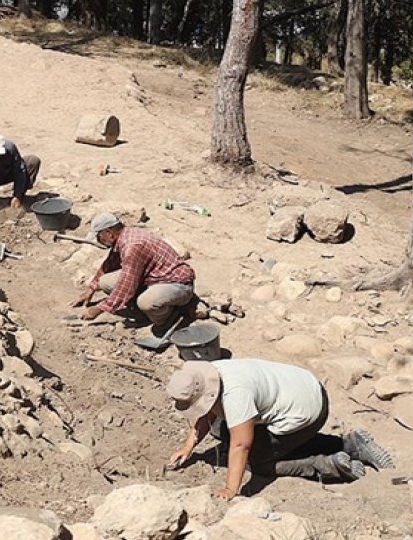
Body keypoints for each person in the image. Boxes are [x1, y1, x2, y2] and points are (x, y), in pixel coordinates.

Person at [166, 359, 394, 500]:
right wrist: (189, 446)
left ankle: (332, 466)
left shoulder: (235, 394)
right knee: (222, 428)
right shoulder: (213, 373)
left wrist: (230, 488)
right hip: (305, 388)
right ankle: (350, 444)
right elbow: (206, 411)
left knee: (259, 462)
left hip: (308, 411)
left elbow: (241, 445)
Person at [71, 213, 195, 329]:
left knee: (146, 303)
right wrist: (90, 289)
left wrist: (98, 309)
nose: (98, 241)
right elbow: (109, 264)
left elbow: (126, 285)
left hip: (177, 284)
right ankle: (145, 306)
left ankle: (169, 318)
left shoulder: (133, 246)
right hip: (153, 278)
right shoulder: (124, 237)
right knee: (104, 281)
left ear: (108, 233)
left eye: (99, 237)